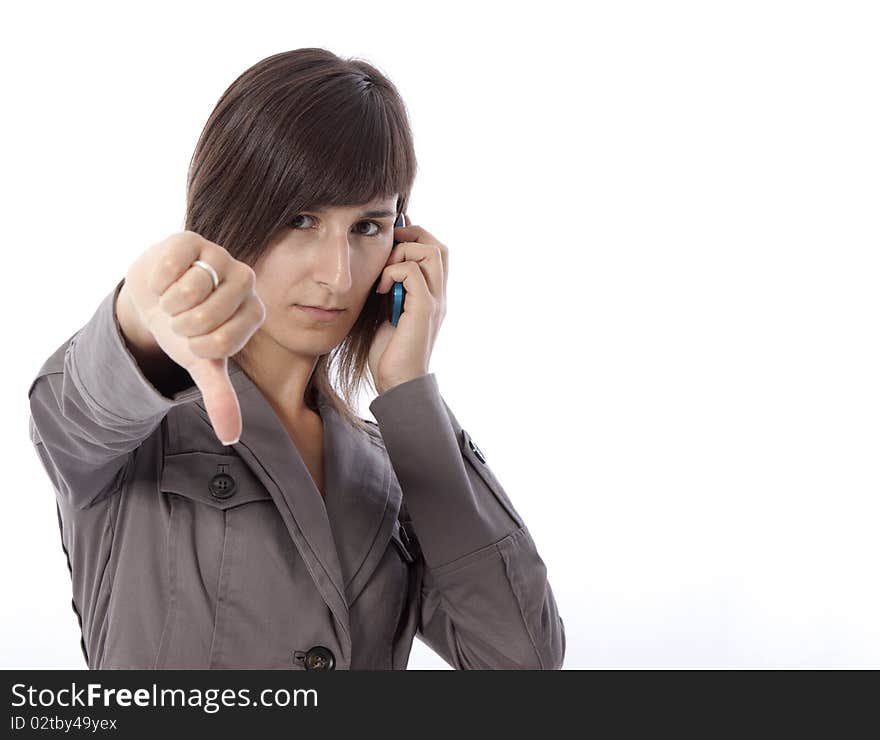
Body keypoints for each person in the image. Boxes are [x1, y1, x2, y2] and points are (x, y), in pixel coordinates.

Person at [27, 47, 565, 670]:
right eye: (301, 219)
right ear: (231, 215)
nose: (337, 276)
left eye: (367, 227)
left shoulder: (392, 466)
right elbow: (72, 411)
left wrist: (409, 392)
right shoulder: (140, 432)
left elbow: (521, 663)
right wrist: (140, 320)